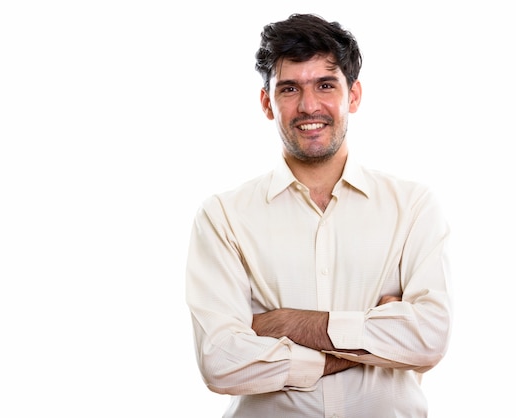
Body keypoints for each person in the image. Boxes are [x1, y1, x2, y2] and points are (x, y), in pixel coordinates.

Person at [185, 12, 452, 418]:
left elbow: (429, 337)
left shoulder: (413, 207)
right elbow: (220, 362)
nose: (309, 106)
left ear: (354, 95)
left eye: (325, 85)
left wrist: (287, 323)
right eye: (290, 88)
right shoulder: (223, 217)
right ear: (267, 103)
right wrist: (360, 346)